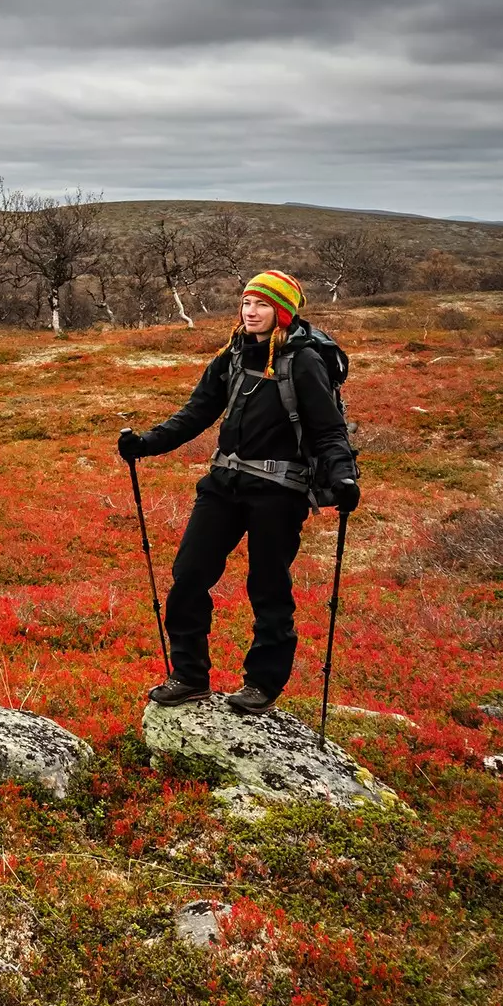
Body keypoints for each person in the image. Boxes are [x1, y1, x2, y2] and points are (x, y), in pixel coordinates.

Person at [117, 270, 359, 714]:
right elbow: (196, 413)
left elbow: (328, 431)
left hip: (278, 493)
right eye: (247, 302)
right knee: (188, 576)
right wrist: (146, 444)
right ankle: (189, 676)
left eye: (262, 304)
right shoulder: (232, 353)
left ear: (282, 312)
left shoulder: (302, 361)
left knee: (267, 588)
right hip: (222, 486)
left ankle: (261, 685)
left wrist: (344, 476)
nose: (251, 311)